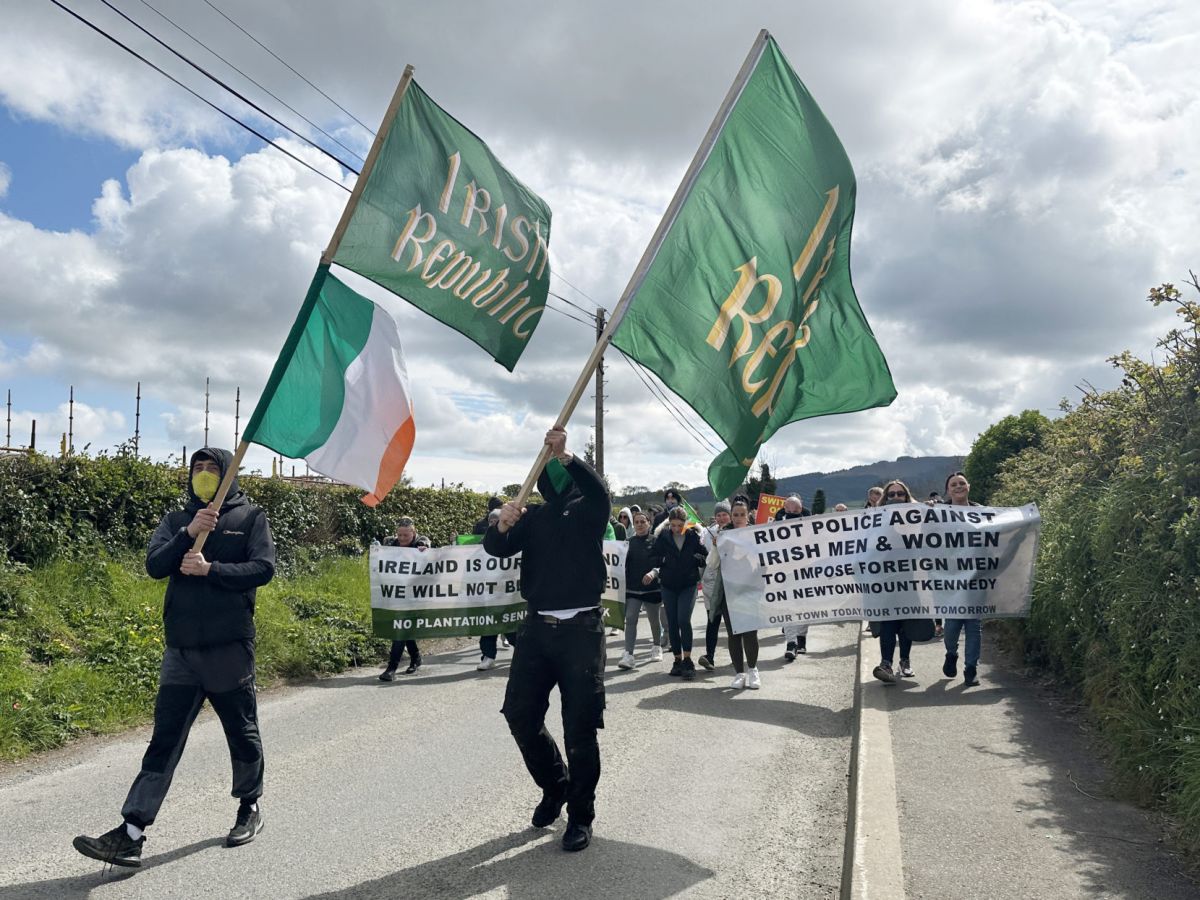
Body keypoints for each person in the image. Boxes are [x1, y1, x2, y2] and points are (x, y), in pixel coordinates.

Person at [72, 448, 276, 867]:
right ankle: (131, 833)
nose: (203, 474)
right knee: (164, 741)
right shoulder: (176, 519)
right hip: (181, 651)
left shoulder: (249, 518)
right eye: (197, 468)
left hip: (229, 651)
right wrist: (188, 532)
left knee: (242, 733)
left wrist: (211, 570)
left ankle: (248, 807)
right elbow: (154, 566)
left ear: (229, 475)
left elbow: (263, 569)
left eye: (212, 468)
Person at [483, 427, 609, 853]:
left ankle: (581, 815)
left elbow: (601, 492)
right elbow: (497, 548)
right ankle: (556, 786)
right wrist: (501, 525)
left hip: (581, 632)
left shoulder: (590, 511)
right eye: (550, 471)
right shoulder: (533, 516)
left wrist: (569, 456)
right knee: (519, 714)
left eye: (561, 472)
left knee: (580, 729)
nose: (554, 478)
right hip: (536, 629)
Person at [871, 480, 933, 683]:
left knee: (908, 622)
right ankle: (886, 664)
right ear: (885, 498)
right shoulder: (875, 520)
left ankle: (905, 661)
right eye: (891, 494)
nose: (896, 497)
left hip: (912, 580)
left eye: (900, 494)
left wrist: (932, 510)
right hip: (886, 580)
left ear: (907, 496)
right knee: (888, 622)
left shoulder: (919, 517)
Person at [703, 500, 762, 688]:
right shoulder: (723, 535)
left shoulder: (755, 534)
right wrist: (715, 546)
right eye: (735, 514)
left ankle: (753, 670)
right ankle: (739, 673)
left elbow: (763, 562)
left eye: (741, 515)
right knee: (733, 633)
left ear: (748, 516)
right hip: (728, 591)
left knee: (750, 632)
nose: (738, 518)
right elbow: (711, 564)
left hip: (750, 589)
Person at [647, 506, 706, 681]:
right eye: (673, 525)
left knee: (683, 619)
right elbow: (653, 556)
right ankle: (677, 660)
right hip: (668, 585)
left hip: (688, 584)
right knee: (672, 622)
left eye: (679, 525)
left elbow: (705, 557)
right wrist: (663, 560)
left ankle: (688, 659)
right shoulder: (663, 537)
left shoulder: (692, 536)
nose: (676, 529)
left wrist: (697, 559)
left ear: (685, 523)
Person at [941, 472, 983, 686]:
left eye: (962, 483)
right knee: (952, 624)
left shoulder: (982, 512)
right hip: (949, 577)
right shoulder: (939, 513)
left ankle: (971, 668)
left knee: (973, 625)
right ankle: (951, 653)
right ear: (948, 490)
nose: (958, 487)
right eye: (953, 484)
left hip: (976, 576)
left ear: (968, 486)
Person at [380, 517, 431, 680]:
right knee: (405, 627)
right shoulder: (391, 544)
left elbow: (427, 544)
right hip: (397, 594)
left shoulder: (420, 543)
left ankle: (391, 668)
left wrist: (425, 549)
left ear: (413, 533)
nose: (401, 539)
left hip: (416, 595)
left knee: (401, 628)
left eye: (406, 536)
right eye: (399, 535)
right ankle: (416, 658)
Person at [617, 511, 664, 669]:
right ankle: (628, 654)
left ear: (649, 524)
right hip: (632, 589)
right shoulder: (627, 543)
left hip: (652, 589)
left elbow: (663, 563)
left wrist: (653, 573)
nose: (639, 525)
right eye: (636, 522)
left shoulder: (656, 541)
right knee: (630, 618)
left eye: (643, 522)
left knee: (653, 620)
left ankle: (657, 646)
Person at [478, 510, 517, 670]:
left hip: (509, 593)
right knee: (488, 626)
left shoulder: (515, 537)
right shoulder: (483, 541)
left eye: (497, 520)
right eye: (491, 521)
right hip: (489, 593)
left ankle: (521, 653)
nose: (494, 524)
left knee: (511, 626)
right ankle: (488, 656)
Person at [697, 500, 732, 670]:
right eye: (718, 514)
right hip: (713, 582)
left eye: (725, 514)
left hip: (734, 581)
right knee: (712, 620)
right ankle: (709, 656)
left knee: (734, 622)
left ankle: (738, 656)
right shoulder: (708, 534)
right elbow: (706, 560)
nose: (722, 517)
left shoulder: (738, 531)